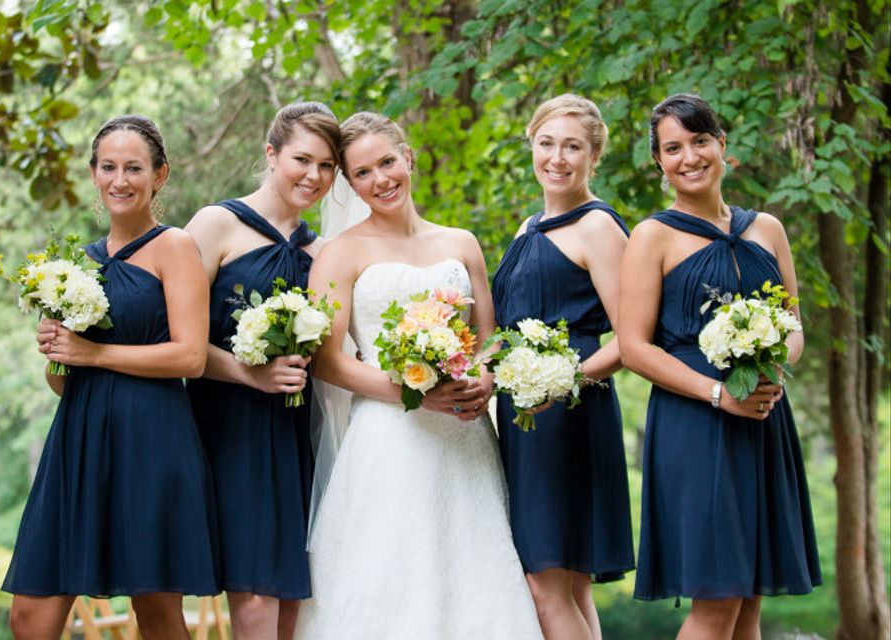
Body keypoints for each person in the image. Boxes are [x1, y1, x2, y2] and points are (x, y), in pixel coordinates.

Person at [294, 112, 542, 639]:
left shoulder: (461, 241)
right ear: (349, 183)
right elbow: (329, 360)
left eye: (387, 162)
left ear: (408, 157)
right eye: (362, 173)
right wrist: (412, 393)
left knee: (473, 572)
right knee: (389, 578)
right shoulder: (341, 253)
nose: (380, 180)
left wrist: (485, 380)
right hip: (388, 439)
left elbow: (489, 336)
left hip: (464, 435)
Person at [3, 115, 219, 639]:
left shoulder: (174, 247)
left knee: (158, 612)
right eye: (108, 167)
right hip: (78, 437)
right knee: (30, 612)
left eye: (134, 168)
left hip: (152, 437)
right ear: (94, 174)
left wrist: (93, 353)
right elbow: (62, 381)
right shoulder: (77, 263)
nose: (120, 180)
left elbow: (191, 356)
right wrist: (56, 352)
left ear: (159, 176)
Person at [618, 94, 821, 639]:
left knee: (748, 598)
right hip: (695, 421)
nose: (689, 157)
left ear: (722, 145)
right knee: (717, 602)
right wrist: (717, 393)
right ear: (658, 161)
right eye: (673, 148)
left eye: (700, 141)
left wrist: (773, 365)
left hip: (762, 415)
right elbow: (634, 347)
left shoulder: (768, 229)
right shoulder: (651, 237)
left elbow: (793, 324)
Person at [184, 102, 340, 640]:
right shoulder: (216, 223)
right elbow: (178, 342)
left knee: (290, 604)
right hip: (228, 429)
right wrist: (251, 374)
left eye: (327, 166)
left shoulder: (323, 253)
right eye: (302, 159)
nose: (314, 176)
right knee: (253, 598)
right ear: (271, 154)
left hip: (298, 435)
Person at [491, 94, 633, 639]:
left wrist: (564, 382)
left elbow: (631, 338)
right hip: (525, 414)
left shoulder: (598, 227)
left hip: (569, 412)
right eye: (546, 143)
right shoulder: (530, 227)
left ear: (593, 156)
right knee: (567, 584)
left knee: (543, 582)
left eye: (572, 146)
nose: (557, 157)